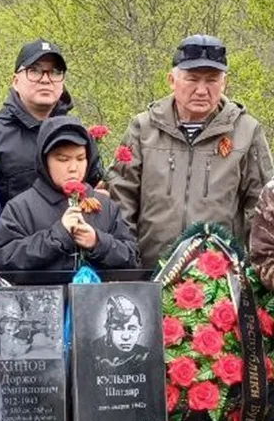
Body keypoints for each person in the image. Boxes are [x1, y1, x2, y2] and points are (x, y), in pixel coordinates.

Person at [109, 35, 274, 269]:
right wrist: (127, 260)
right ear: (171, 80)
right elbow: (122, 197)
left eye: (212, 80)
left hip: (220, 279)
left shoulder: (246, 130)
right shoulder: (143, 128)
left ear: (224, 83)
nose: (201, 90)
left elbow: (260, 209)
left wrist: (254, 273)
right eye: (192, 79)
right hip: (150, 272)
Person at [0, 39, 103, 206]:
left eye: (55, 72)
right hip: (8, 231)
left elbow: (93, 191)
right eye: (35, 71)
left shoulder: (78, 135)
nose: (46, 80)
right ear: (15, 81)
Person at [0, 117, 139, 272]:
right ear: (45, 161)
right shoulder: (21, 208)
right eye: (63, 159)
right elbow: (5, 258)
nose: (73, 168)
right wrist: (57, 236)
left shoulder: (106, 206)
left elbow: (132, 258)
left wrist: (97, 242)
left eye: (81, 158)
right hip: (41, 295)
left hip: (97, 295)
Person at [92, 294, 152, 376]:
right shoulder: (93, 352)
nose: (126, 337)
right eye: (119, 328)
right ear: (108, 329)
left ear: (140, 330)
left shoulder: (145, 355)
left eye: (132, 328)